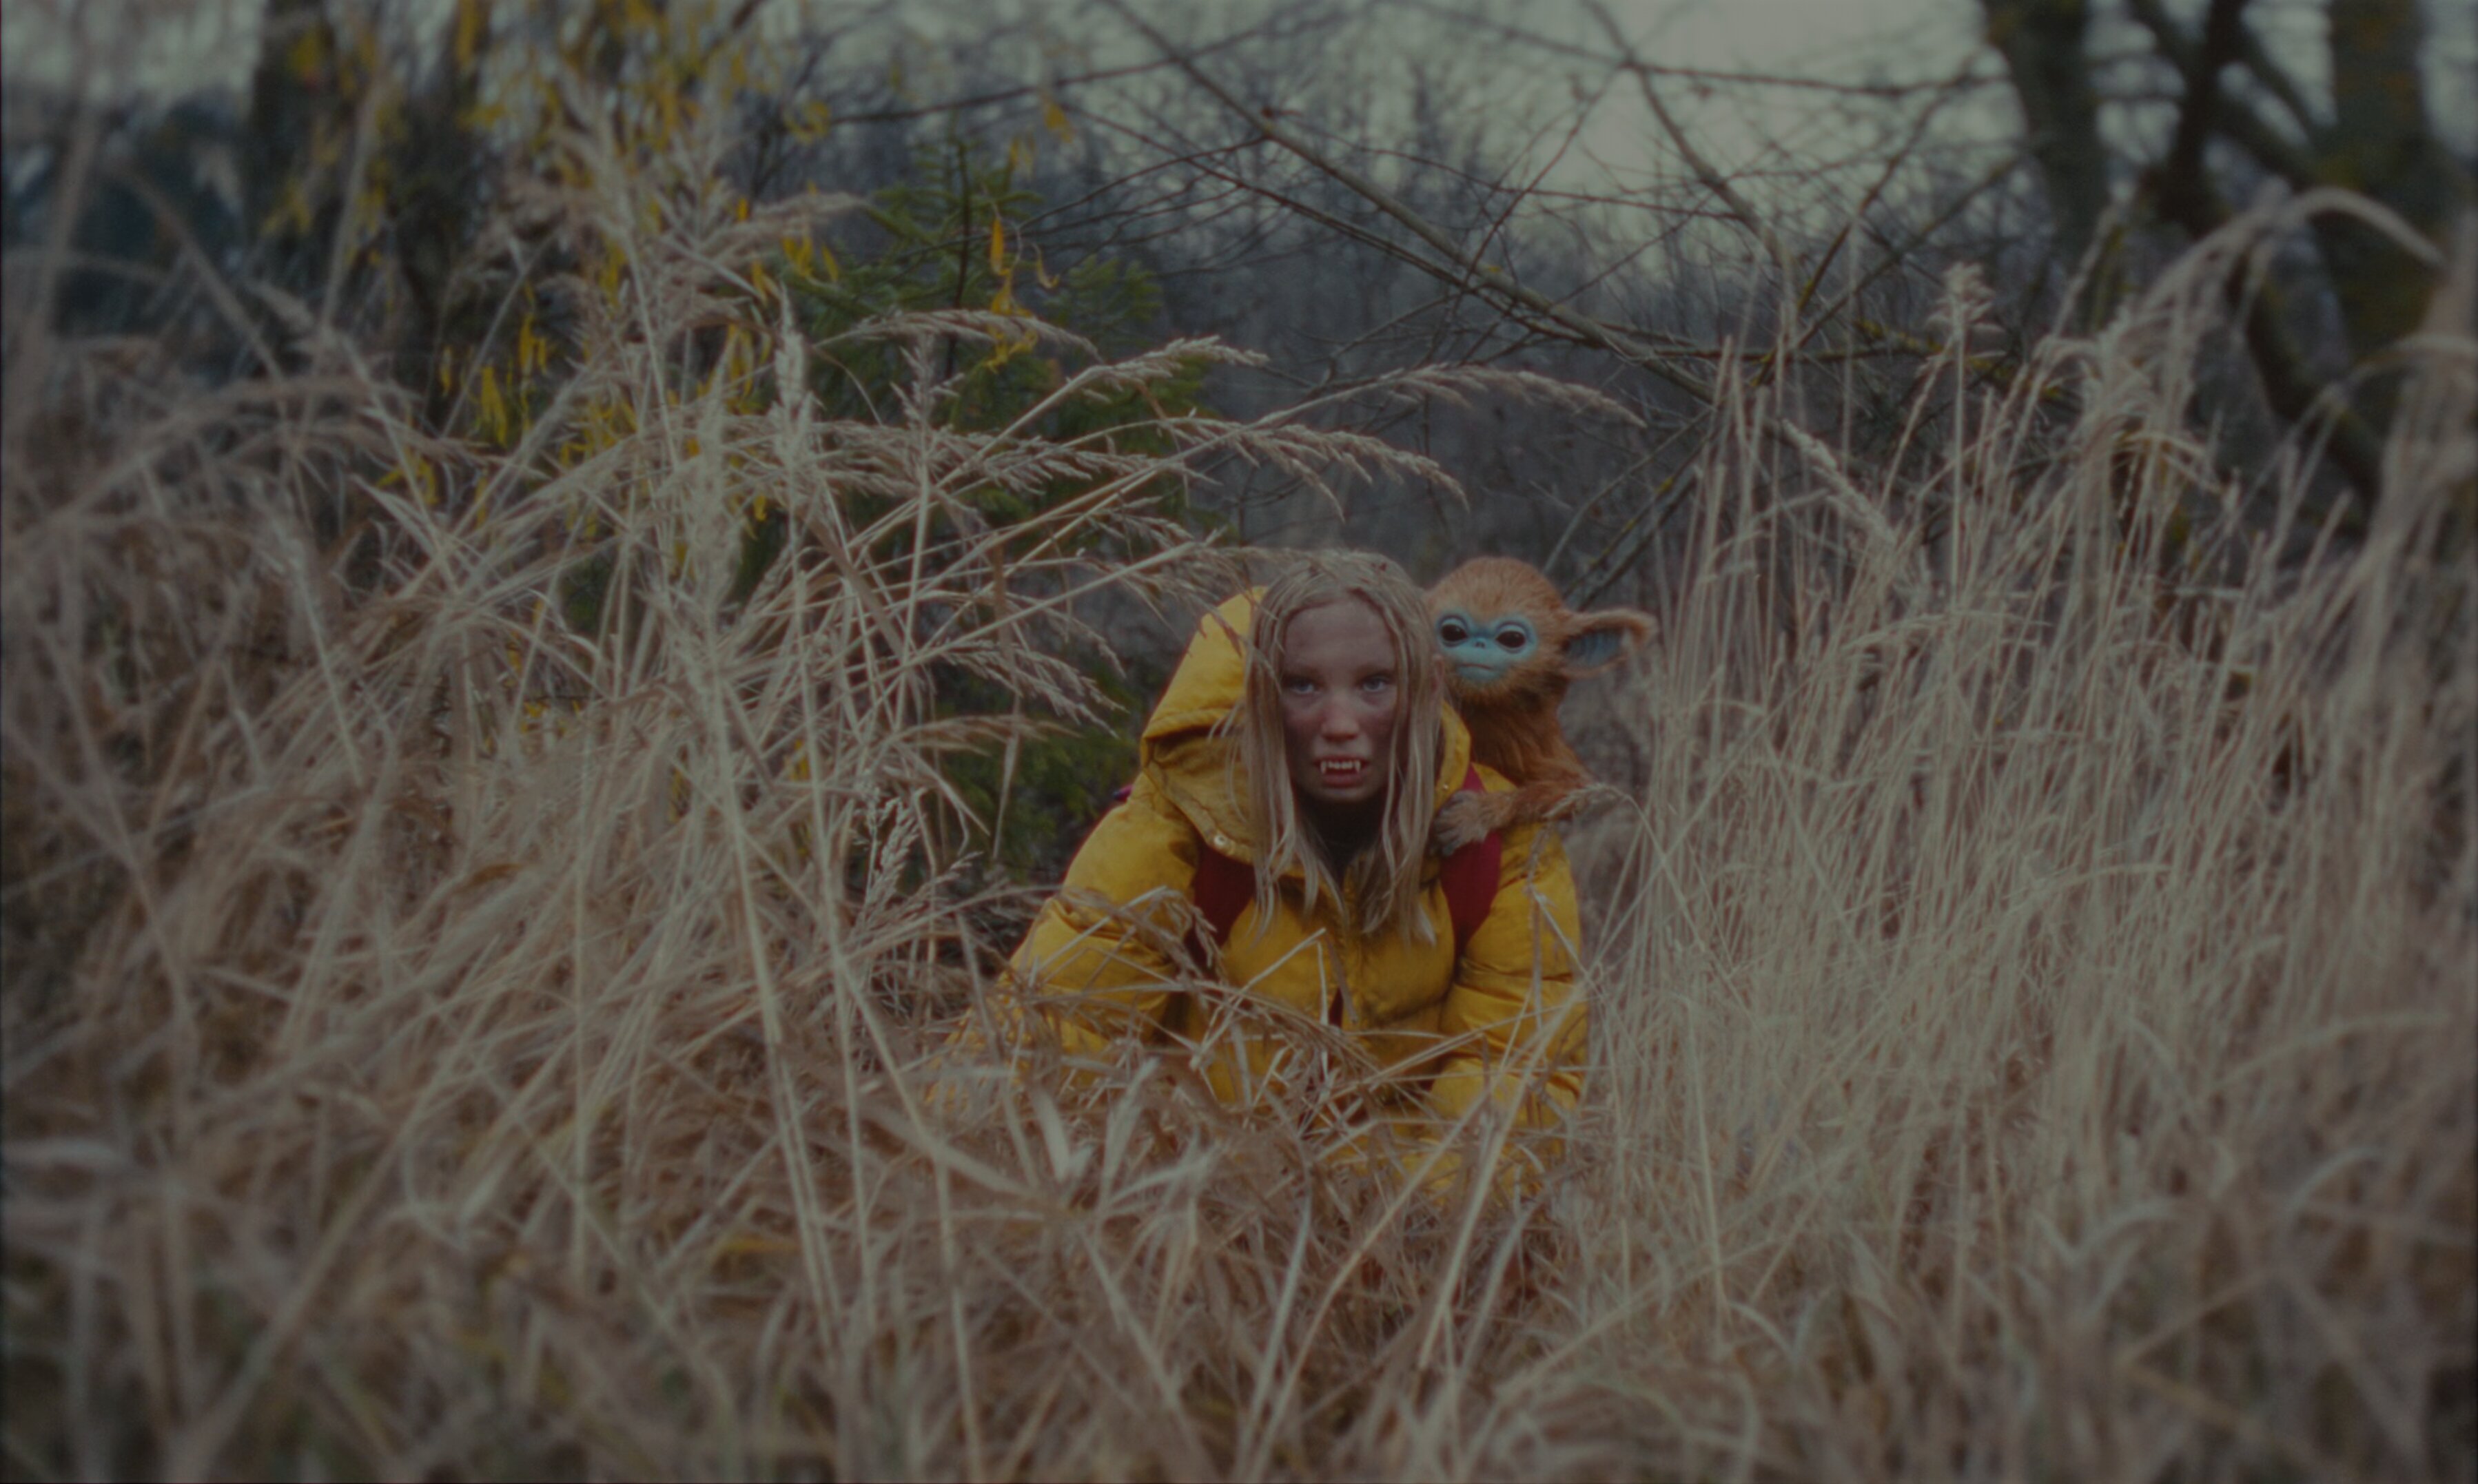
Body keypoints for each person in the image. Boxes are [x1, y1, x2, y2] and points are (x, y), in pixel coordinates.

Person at [974, 551, 1585, 1173]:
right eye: (1302, 685)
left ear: (1429, 686)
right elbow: (1047, 1032)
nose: (1340, 724)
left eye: (1375, 684)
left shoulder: (1502, 849)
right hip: (1188, 1196)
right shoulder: (1178, 825)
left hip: (1408, 1207)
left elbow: (1513, 1078)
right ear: (1259, 693)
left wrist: (1400, 1216)